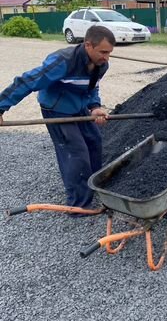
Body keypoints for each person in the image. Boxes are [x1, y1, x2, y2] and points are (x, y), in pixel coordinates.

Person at [0, 25, 116, 211]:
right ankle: (79, 205)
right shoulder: (62, 62)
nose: (106, 57)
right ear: (88, 45)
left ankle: (93, 188)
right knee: (76, 153)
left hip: (79, 108)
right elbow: (27, 82)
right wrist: (1, 107)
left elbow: (92, 87)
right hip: (57, 110)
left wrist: (94, 107)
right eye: (103, 52)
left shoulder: (101, 65)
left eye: (109, 53)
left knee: (94, 142)